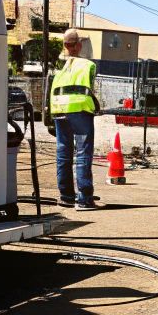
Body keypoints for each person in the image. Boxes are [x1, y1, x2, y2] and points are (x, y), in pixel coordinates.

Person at [48, 28, 99, 210]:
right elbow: (89, 88)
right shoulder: (87, 65)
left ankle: (66, 196)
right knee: (83, 152)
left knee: (63, 152)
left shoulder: (59, 69)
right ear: (78, 45)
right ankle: (84, 198)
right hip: (79, 110)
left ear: (65, 45)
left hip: (59, 110)